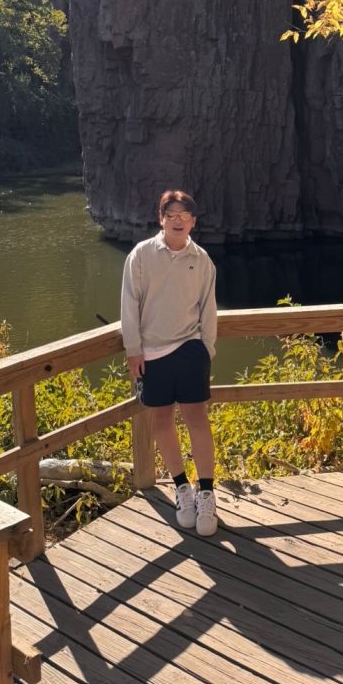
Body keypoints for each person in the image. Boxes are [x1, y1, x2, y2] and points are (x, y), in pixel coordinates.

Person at [120, 189, 218, 535]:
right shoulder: (142, 255)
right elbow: (129, 304)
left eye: (184, 215)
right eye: (171, 214)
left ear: (193, 221)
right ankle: (182, 488)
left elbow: (208, 309)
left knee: (196, 418)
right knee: (161, 420)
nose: (178, 220)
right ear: (161, 219)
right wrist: (133, 349)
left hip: (190, 348)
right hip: (151, 354)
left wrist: (207, 349)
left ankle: (206, 493)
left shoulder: (202, 260)